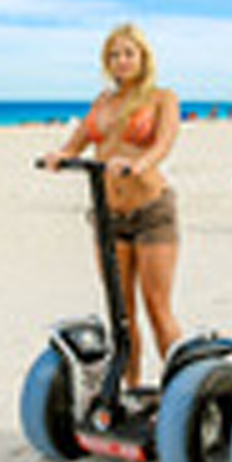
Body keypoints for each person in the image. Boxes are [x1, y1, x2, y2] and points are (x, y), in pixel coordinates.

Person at [43, 23, 182, 388]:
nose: (121, 61)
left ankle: (183, 391)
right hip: (109, 216)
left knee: (157, 308)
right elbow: (77, 143)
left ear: (143, 58)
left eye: (128, 53)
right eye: (114, 55)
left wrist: (140, 164)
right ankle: (132, 387)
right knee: (122, 313)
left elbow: (164, 143)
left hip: (152, 211)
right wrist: (60, 156)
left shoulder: (162, 98)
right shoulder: (102, 102)